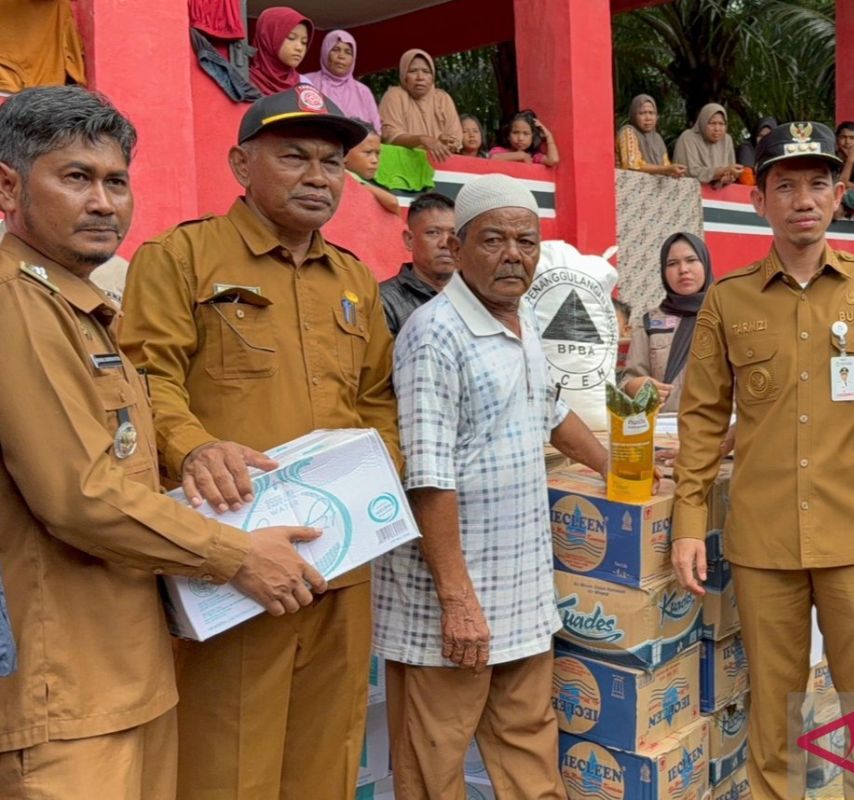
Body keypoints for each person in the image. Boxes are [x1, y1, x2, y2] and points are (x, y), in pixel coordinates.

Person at [0, 85, 320, 798]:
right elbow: (80, 496)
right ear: (9, 187)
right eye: (76, 178)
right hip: (67, 693)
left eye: (116, 182)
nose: (103, 203)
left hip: (127, 669)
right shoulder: (19, 304)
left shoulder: (79, 308)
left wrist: (199, 452)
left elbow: (121, 459)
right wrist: (238, 555)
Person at [119, 86, 403, 800]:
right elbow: (145, 378)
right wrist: (192, 448)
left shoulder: (354, 280)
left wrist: (378, 483)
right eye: (294, 157)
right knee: (226, 756)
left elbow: (376, 398)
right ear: (241, 164)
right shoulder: (182, 257)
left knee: (329, 751)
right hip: (235, 556)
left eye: (332, 163)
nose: (318, 177)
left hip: (341, 561)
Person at [670, 121, 854, 800]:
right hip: (765, 540)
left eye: (818, 184)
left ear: (840, 195)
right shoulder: (728, 299)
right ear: (759, 200)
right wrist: (689, 521)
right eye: (784, 186)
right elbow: (701, 419)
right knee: (776, 707)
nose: (803, 200)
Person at [375, 174, 609, 799]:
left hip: (521, 590)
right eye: (494, 240)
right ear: (457, 247)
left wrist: (613, 466)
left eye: (526, 242)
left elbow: (550, 410)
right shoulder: (434, 333)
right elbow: (427, 476)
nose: (513, 255)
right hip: (454, 599)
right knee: (434, 761)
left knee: (529, 742)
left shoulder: (523, 317)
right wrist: (458, 602)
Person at [621, 232, 714, 414]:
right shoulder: (650, 323)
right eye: (672, 263)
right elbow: (627, 383)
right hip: (665, 426)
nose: (683, 269)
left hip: (721, 426)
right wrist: (635, 387)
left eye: (691, 260)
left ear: (706, 263)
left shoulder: (729, 316)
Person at [380, 191, 457, 333]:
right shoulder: (382, 300)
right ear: (409, 240)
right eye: (433, 232)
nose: (445, 243)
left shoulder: (476, 296)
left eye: (454, 234)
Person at [379, 49, 463, 163]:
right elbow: (390, 136)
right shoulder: (394, 95)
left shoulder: (442, 98)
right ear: (404, 75)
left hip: (440, 166)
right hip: (401, 165)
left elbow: (455, 138)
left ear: (432, 76)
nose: (420, 77)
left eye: (426, 71)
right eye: (413, 71)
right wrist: (421, 139)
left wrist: (445, 143)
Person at [303, 29, 383, 136]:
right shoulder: (307, 82)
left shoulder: (363, 92)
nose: (341, 56)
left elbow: (376, 131)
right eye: (335, 49)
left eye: (348, 52)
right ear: (325, 52)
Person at [0, 0, 86, 93]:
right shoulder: (59, 7)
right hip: (39, 90)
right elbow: (74, 64)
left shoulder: (59, 8)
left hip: (34, 89)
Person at [672, 103, 741, 188]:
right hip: (689, 191)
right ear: (703, 122)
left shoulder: (726, 140)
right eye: (712, 123)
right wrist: (722, 171)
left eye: (721, 124)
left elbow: (729, 171)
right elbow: (689, 172)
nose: (717, 129)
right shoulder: (688, 138)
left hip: (717, 194)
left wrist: (727, 178)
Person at [616, 94, 687, 177]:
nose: (648, 118)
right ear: (634, 115)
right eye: (642, 113)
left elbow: (665, 165)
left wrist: (673, 172)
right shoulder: (628, 131)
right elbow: (633, 165)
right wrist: (666, 169)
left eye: (651, 113)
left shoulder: (657, 138)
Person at [247, 7, 312, 95]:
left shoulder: (305, 86)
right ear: (268, 39)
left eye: (304, 42)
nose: (299, 48)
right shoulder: (243, 80)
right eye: (291, 38)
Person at [345, 126, 406, 217]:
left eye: (377, 153)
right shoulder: (345, 175)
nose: (375, 160)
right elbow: (392, 203)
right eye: (368, 152)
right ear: (344, 153)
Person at [489, 109, 559, 166]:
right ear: (508, 135)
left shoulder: (534, 156)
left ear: (533, 137)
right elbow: (493, 158)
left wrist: (548, 136)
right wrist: (520, 155)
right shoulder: (501, 151)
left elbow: (553, 160)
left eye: (526, 134)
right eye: (515, 132)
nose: (520, 138)